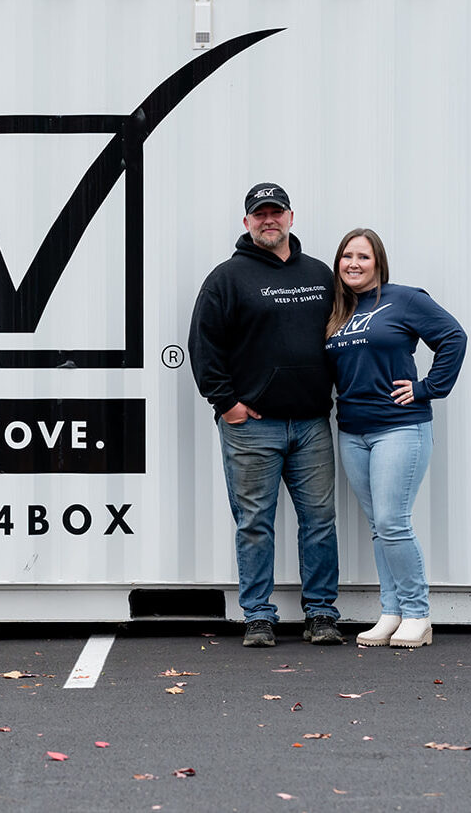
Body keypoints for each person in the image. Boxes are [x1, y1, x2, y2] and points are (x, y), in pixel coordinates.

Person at [188, 184, 342, 648]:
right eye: (260, 214)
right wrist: (226, 404)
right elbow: (204, 346)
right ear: (247, 222)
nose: (268, 220)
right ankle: (258, 614)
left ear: (291, 217)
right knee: (254, 523)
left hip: (312, 423)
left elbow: (345, 335)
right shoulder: (227, 279)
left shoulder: (320, 275)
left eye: (276, 212)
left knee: (319, 521)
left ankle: (321, 613)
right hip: (252, 426)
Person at [325, 228, 466, 649]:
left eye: (362, 257)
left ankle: (417, 614)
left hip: (399, 427)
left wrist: (426, 388)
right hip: (353, 431)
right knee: (379, 526)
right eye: (346, 256)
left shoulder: (404, 299)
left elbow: (453, 337)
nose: (353, 263)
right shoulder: (337, 311)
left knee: (392, 521)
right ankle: (391, 612)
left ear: (378, 262)